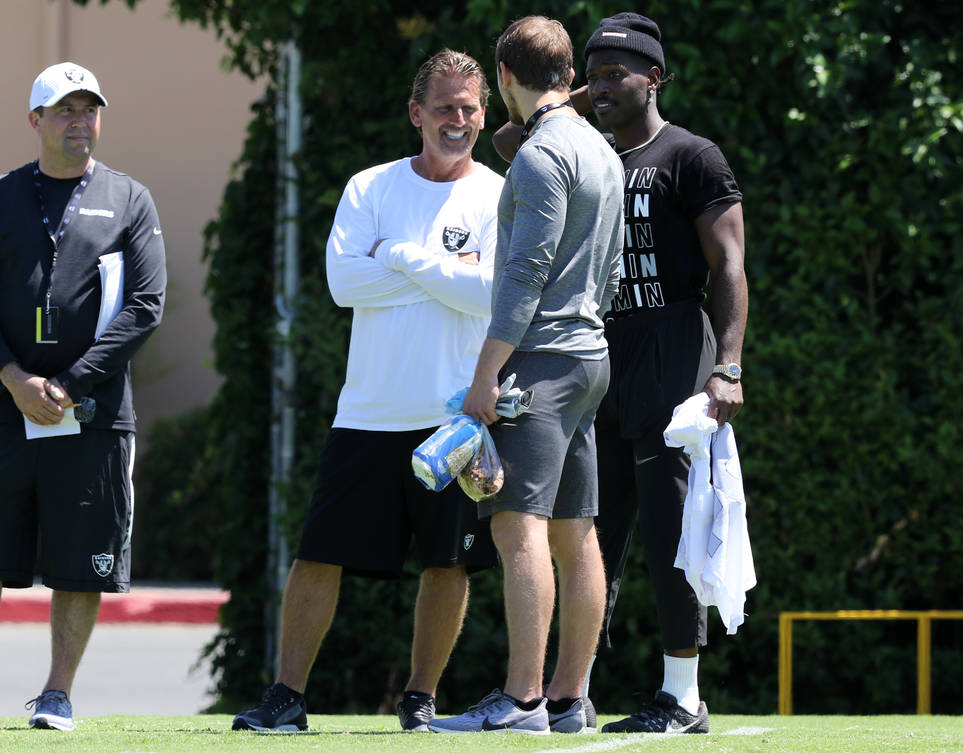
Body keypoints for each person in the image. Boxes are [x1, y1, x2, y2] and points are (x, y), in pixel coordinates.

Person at [231, 49, 503, 733]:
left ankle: (420, 698)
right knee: (318, 553)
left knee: (448, 565)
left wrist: (396, 254)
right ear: (417, 113)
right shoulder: (370, 188)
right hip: (368, 414)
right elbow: (343, 285)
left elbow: (492, 294)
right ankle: (287, 696)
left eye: (470, 107)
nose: (459, 120)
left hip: (453, 418)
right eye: (445, 107)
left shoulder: (500, 195)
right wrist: (447, 270)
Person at [428, 17, 624, 735]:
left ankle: (522, 700)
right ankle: (570, 700)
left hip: (540, 362)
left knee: (520, 533)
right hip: (589, 358)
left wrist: (487, 375)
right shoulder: (601, 150)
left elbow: (524, 275)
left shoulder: (542, 156)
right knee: (577, 534)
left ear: (504, 77)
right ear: (568, 73)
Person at [584, 13, 748, 734]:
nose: (601, 87)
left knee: (670, 523)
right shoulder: (589, 158)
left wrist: (728, 366)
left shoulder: (692, 155)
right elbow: (508, 141)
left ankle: (681, 695)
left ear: (655, 76)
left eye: (617, 73)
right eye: (591, 75)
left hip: (674, 341)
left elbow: (731, 267)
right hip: (604, 349)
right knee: (589, 527)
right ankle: (569, 692)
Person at [0, 62, 167, 731]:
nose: (79, 120)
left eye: (88, 108)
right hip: (7, 411)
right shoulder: (6, 196)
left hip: (91, 415)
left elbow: (147, 306)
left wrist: (68, 385)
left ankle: (57, 693)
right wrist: (14, 379)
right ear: (35, 120)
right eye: (64, 110)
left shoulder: (130, 199)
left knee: (81, 562)